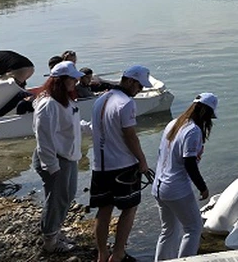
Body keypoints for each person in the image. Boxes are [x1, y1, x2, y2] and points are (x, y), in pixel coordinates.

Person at [91, 65, 155, 262]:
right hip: (123, 166)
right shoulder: (126, 103)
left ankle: (102, 254)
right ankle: (117, 254)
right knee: (129, 209)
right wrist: (143, 161)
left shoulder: (100, 100)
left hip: (100, 166)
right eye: (139, 86)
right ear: (129, 81)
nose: (140, 90)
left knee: (104, 210)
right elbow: (130, 136)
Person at [152, 93, 218, 261]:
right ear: (206, 113)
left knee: (168, 231)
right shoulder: (193, 131)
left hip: (159, 186)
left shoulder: (174, 123)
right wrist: (202, 187)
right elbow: (189, 163)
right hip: (176, 188)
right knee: (194, 228)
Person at [32, 61, 88, 255]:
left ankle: (55, 232)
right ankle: (50, 241)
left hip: (68, 157)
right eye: (72, 78)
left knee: (67, 196)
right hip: (55, 158)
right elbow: (44, 138)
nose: (76, 81)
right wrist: (51, 166)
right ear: (60, 80)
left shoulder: (66, 100)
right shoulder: (48, 104)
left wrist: (91, 128)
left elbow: (71, 124)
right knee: (57, 199)